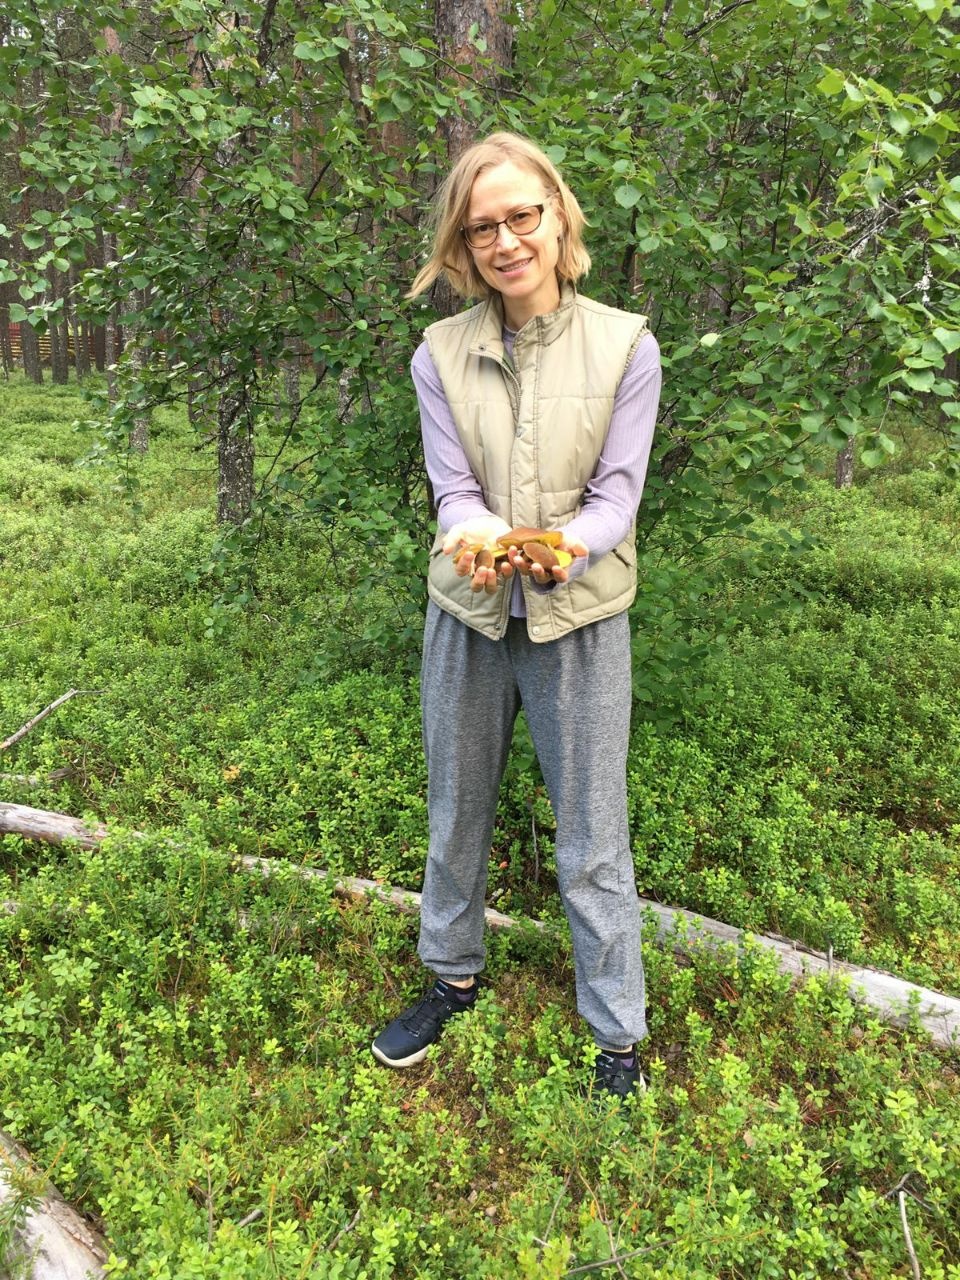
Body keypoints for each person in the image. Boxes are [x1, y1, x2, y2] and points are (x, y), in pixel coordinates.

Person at [371, 132, 662, 1098]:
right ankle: (451, 977)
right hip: (468, 611)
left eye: (520, 216)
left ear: (558, 214)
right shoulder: (438, 354)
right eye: (482, 225)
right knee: (457, 812)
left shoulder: (627, 344)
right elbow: (450, 491)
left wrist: (561, 547)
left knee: (591, 833)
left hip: (580, 619)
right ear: (463, 242)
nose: (504, 240)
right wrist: (486, 538)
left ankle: (617, 1033)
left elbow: (619, 499)